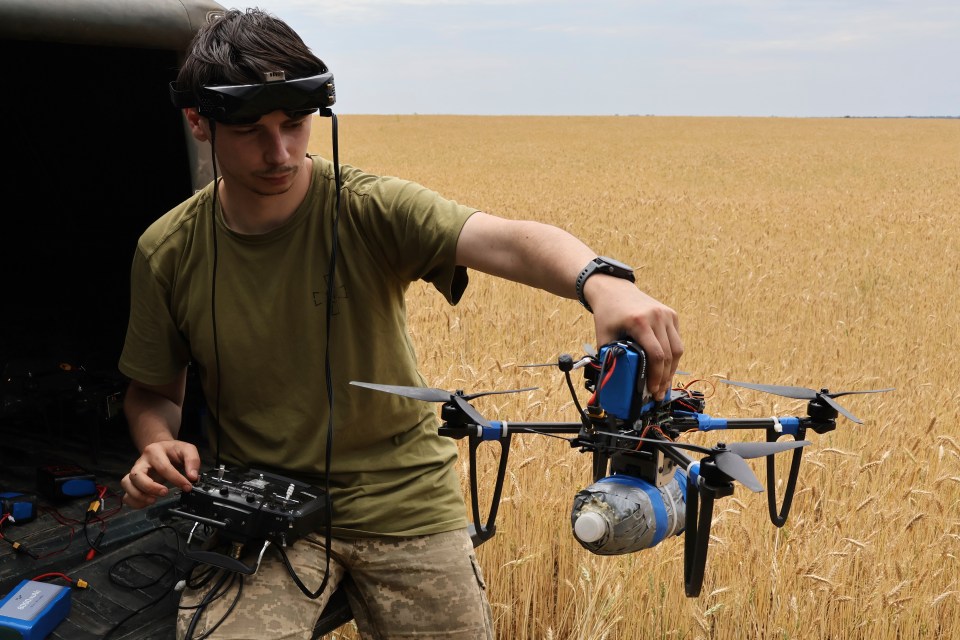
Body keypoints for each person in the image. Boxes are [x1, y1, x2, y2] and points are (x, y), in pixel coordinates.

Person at [118, 7, 683, 639]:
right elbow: (155, 391)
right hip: (263, 508)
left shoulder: (367, 208)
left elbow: (506, 240)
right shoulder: (167, 250)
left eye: (296, 125)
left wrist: (600, 283)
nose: (280, 152)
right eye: (251, 130)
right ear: (199, 121)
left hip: (404, 497)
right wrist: (155, 443)